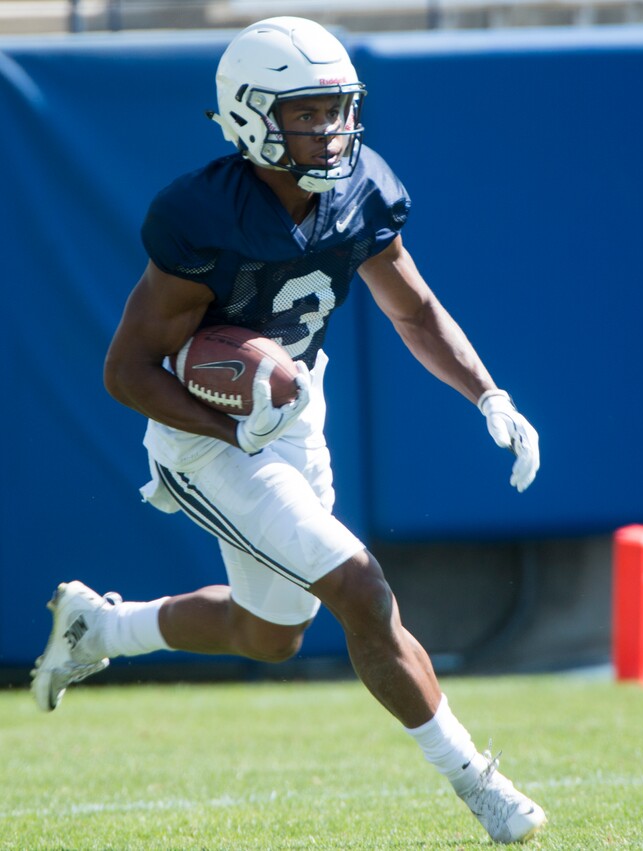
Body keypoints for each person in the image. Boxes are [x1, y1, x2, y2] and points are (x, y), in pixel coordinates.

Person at [31, 17, 545, 844]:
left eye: (338, 109)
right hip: (206, 440)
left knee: (270, 633)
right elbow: (126, 372)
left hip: (296, 415)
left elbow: (411, 307)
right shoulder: (202, 214)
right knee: (361, 587)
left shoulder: (359, 188)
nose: (330, 129)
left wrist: (488, 394)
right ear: (249, 114)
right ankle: (479, 786)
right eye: (306, 112)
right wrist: (233, 433)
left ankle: (104, 627)